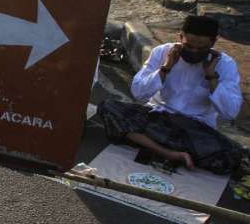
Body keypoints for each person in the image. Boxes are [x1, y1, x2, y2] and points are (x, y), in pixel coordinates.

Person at [98, 16, 244, 174]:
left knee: (233, 157)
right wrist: (166, 68)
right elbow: (138, 93)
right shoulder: (163, 52)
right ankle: (169, 153)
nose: (194, 52)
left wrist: (211, 77)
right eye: (189, 46)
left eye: (201, 49)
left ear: (213, 43)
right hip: (157, 117)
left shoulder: (225, 64)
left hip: (194, 128)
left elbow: (230, 113)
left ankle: (151, 144)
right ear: (180, 37)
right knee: (108, 107)